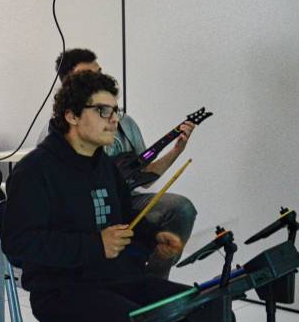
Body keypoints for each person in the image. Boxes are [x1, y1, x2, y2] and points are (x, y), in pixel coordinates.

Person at [1, 71, 260, 322]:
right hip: (61, 294)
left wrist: (155, 238)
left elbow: (124, 221)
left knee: (215, 311)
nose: (114, 121)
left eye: (115, 111)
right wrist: (94, 246)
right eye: (102, 111)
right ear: (71, 115)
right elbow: (19, 246)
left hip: (118, 280)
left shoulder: (103, 166)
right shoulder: (35, 170)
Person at [54, 48, 199, 278]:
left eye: (99, 73)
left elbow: (144, 175)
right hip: (85, 204)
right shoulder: (59, 132)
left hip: (125, 198)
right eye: (88, 76)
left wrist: (176, 150)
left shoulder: (124, 122)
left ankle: (154, 280)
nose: (97, 81)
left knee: (181, 209)